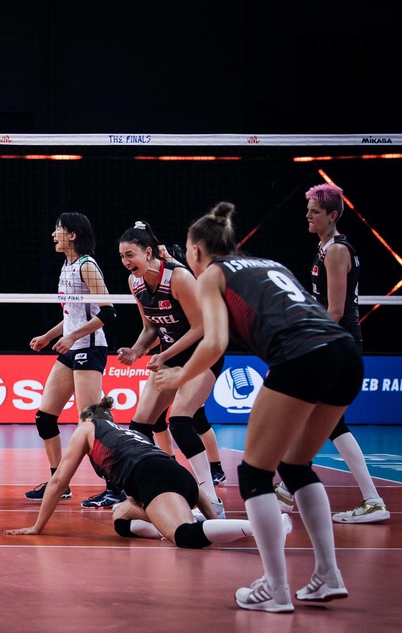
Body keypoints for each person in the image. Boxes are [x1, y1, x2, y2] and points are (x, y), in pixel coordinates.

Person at [154, 202, 363, 612]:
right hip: (345, 353)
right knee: (296, 465)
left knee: (254, 473)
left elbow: (213, 343)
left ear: (195, 252)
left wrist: (178, 377)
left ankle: (277, 588)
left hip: (301, 356)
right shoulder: (271, 263)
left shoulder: (213, 275)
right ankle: (327, 574)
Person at [4, 398, 289, 547]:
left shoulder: (87, 428)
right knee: (120, 518)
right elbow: (180, 478)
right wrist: (212, 516)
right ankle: (171, 526)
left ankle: (266, 527)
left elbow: (57, 482)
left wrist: (37, 526)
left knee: (186, 536)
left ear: (88, 418)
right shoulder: (129, 434)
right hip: (176, 476)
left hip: (154, 478)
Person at [274, 184, 388, 524]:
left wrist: (305, 341)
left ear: (333, 215)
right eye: (308, 210)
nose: (307, 215)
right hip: (332, 340)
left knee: (322, 418)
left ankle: (371, 499)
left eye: (314, 211)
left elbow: (336, 310)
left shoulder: (337, 250)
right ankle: (287, 491)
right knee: (320, 418)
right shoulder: (325, 247)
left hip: (337, 341)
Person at [113, 221, 224, 517]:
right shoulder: (135, 283)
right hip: (171, 356)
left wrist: (164, 355)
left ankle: (212, 500)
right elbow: (150, 326)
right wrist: (136, 350)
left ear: (149, 252)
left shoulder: (179, 278)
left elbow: (201, 327)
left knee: (180, 421)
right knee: (138, 427)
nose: (126, 262)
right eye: (122, 256)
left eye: (130, 255)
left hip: (202, 354)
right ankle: (154, 491)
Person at [26, 212, 115, 503]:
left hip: (89, 348)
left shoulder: (87, 266)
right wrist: (49, 336)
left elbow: (108, 312)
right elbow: (72, 316)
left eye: (59, 230)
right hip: (72, 348)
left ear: (73, 235)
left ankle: (116, 488)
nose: (54, 235)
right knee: (45, 418)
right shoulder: (67, 266)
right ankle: (59, 483)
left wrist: (73, 337)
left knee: (92, 423)